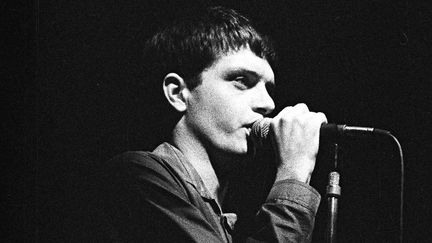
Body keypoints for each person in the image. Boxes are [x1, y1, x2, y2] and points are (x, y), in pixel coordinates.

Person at [99, 6, 327, 242]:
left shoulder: (239, 212)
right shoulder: (136, 177)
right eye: (241, 81)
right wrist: (293, 175)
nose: (268, 103)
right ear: (178, 93)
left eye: (269, 88)